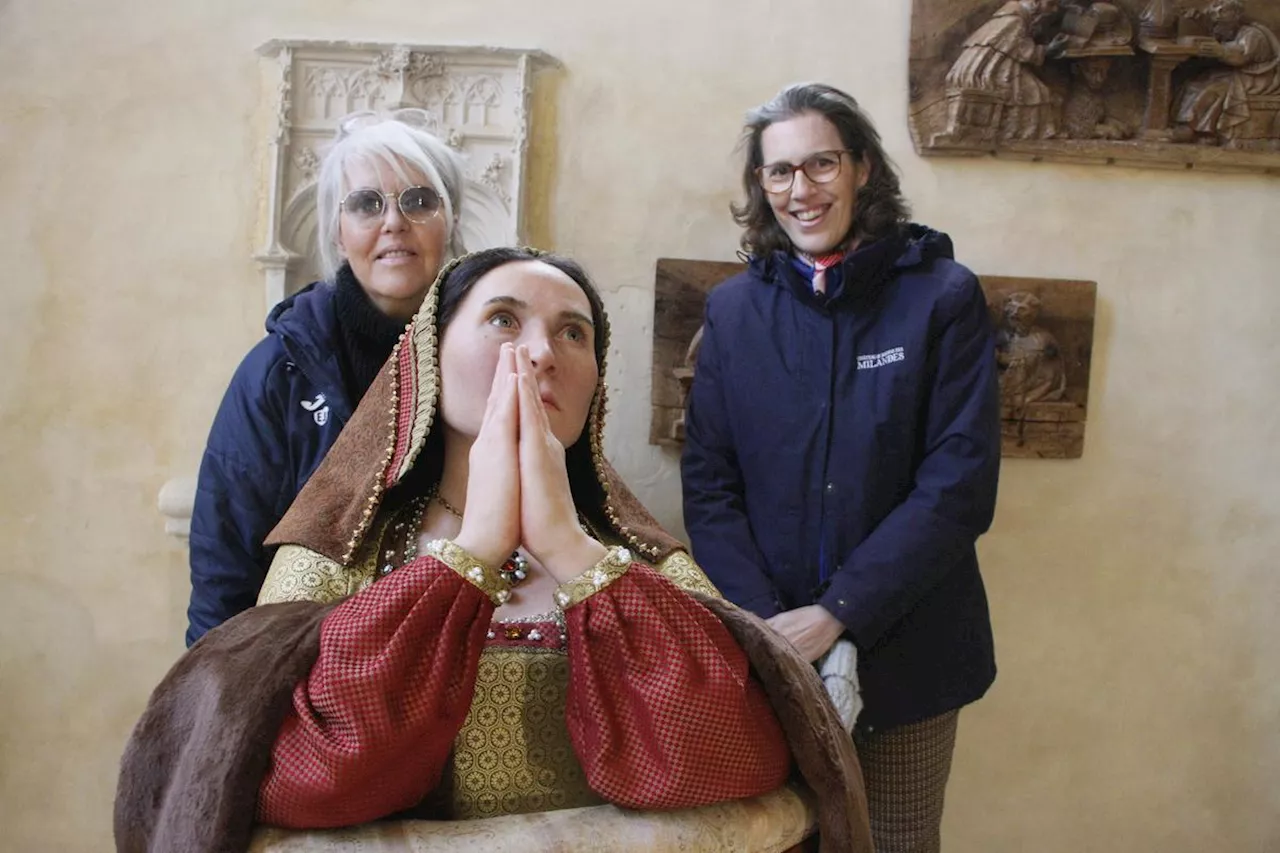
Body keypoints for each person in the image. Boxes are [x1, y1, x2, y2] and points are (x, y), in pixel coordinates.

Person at [117, 248, 875, 853]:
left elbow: (731, 752)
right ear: (429, 359)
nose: (541, 352)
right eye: (504, 320)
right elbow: (293, 773)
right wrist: (473, 550)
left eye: (573, 331)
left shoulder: (639, 558)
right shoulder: (339, 548)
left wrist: (569, 548)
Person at [682, 83, 1001, 853]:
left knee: (893, 839)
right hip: (769, 649)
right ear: (762, 186)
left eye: (821, 163)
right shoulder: (734, 313)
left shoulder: (942, 297)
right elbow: (710, 485)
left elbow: (957, 484)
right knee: (772, 840)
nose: (802, 189)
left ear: (861, 167)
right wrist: (768, 627)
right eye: (780, 171)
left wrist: (841, 612)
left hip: (912, 652)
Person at [186, 109, 466, 646]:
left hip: (459, 664)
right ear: (339, 233)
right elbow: (226, 567)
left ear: (448, 221)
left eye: (419, 200)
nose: (394, 222)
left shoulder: (494, 354)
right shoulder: (277, 372)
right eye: (366, 203)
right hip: (306, 662)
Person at [1172, 0, 1280, 145]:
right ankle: (1186, 124)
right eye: (1215, 15)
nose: (1217, 19)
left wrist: (1221, 51)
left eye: (1222, 13)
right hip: (1241, 73)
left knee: (1214, 89)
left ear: (1236, 15)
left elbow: (1241, 57)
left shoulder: (1252, 34)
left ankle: (1201, 130)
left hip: (1257, 79)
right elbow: (1217, 32)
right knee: (1193, 83)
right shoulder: (1230, 31)